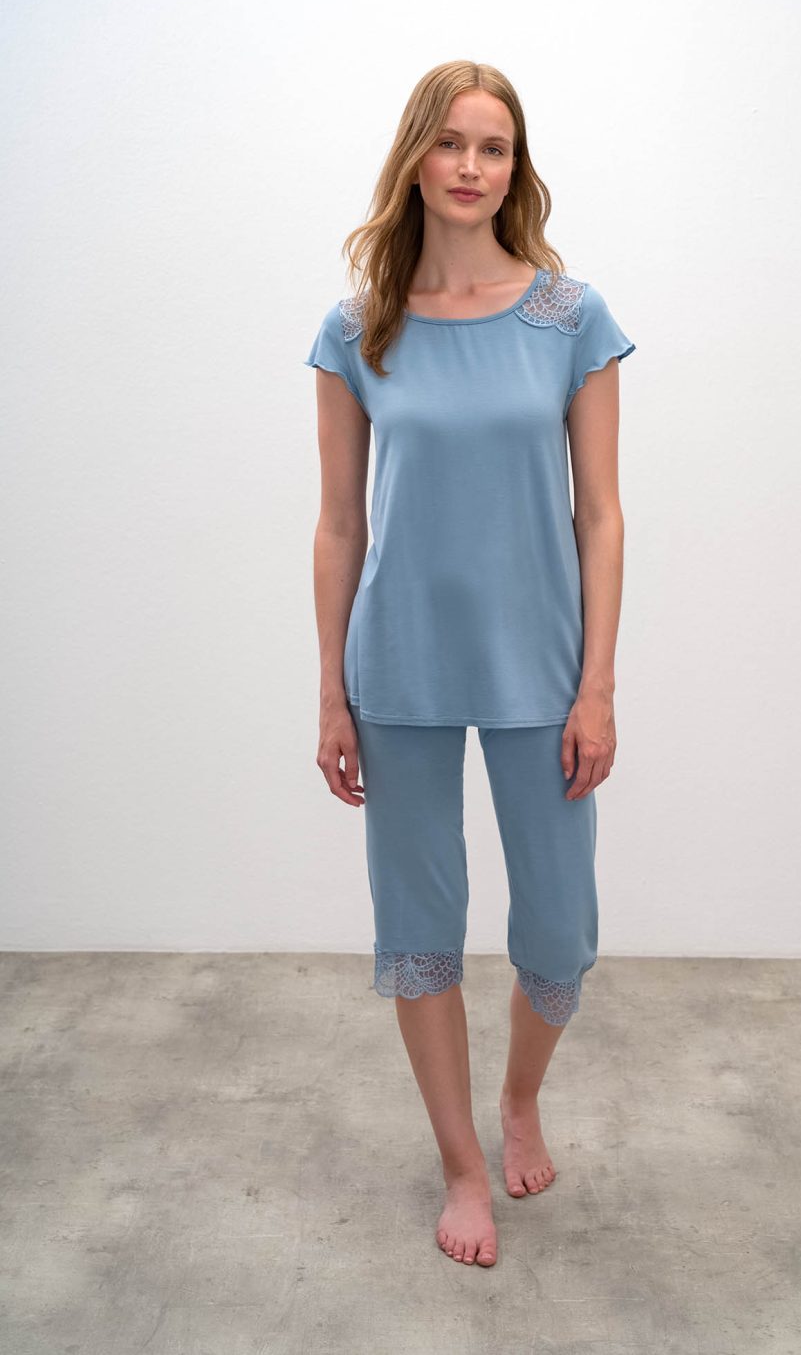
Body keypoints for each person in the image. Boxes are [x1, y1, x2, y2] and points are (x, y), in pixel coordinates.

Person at [305, 61, 635, 1270]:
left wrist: (596, 684)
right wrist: (331, 689)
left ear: (515, 169)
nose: (470, 166)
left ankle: (519, 1099)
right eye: (450, 143)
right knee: (419, 924)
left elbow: (599, 513)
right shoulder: (358, 330)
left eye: (493, 148)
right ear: (415, 159)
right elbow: (340, 523)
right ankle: (459, 1165)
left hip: (540, 664)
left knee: (557, 925)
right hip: (397, 663)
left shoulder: (569, 317)